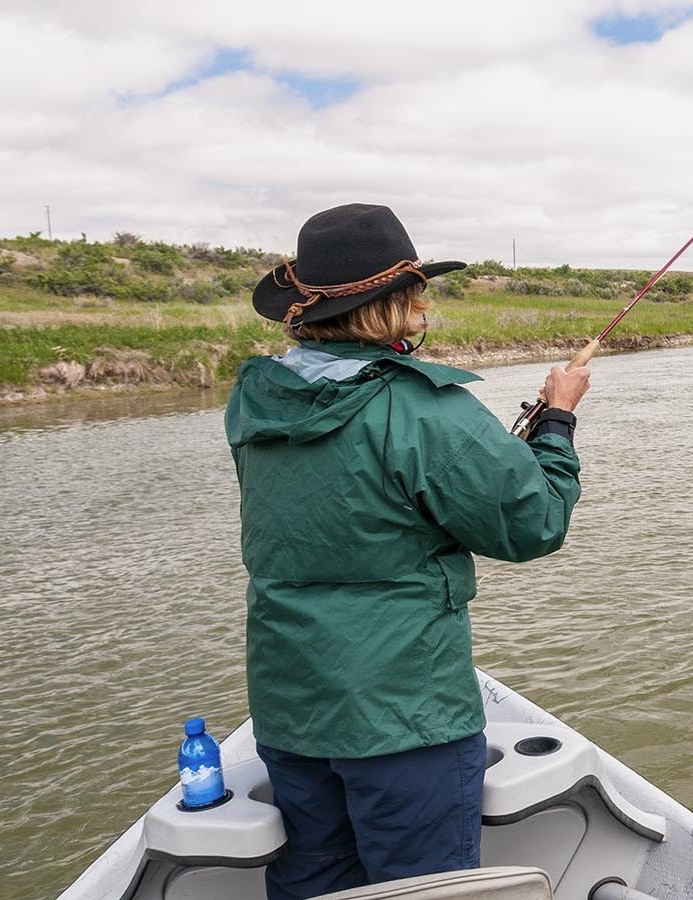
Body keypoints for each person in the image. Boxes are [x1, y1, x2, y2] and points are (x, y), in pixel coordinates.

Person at [225, 203, 590, 900]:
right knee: (426, 889)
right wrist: (558, 422)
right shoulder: (425, 406)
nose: (423, 302)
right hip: (404, 713)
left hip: (290, 704)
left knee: (316, 881)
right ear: (392, 304)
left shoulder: (253, 400)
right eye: (416, 290)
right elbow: (533, 523)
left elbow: (350, 502)